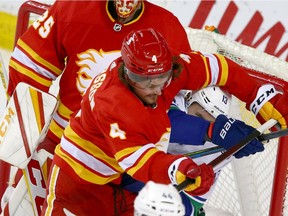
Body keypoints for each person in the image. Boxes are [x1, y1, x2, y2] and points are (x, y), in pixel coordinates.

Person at [41, 28, 288, 215]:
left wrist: (259, 96)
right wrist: (185, 167)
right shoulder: (114, 103)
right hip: (76, 184)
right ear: (127, 72)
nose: (156, 89)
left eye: (162, 78)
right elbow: (140, 161)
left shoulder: (164, 71)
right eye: (146, 80)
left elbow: (219, 67)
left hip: (118, 185)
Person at [7, 0, 192, 154]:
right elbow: (29, 64)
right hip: (60, 143)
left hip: (126, 155)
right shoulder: (73, 7)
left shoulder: (168, 29)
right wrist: (26, 126)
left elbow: (178, 95)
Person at [168, 87, 234, 216]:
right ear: (188, 99)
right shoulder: (170, 99)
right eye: (198, 115)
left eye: (209, 123)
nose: (201, 125)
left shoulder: (216, 149)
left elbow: (190, 207)